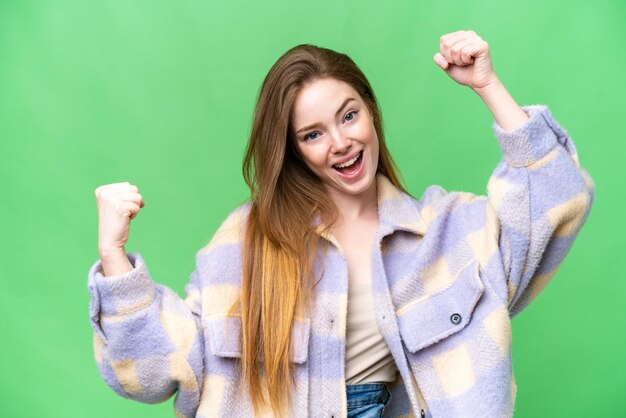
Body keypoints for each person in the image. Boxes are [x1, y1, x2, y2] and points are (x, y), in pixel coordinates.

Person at [88, 30, 594, 418]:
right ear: (293, 152)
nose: (340, 143)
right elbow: (154, 373)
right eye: (312, 134)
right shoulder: (248, 239)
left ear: (370, 113)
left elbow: (557, 197)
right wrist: (114, 256)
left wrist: (488, 85)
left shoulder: (447, 231)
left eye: (348, 116)